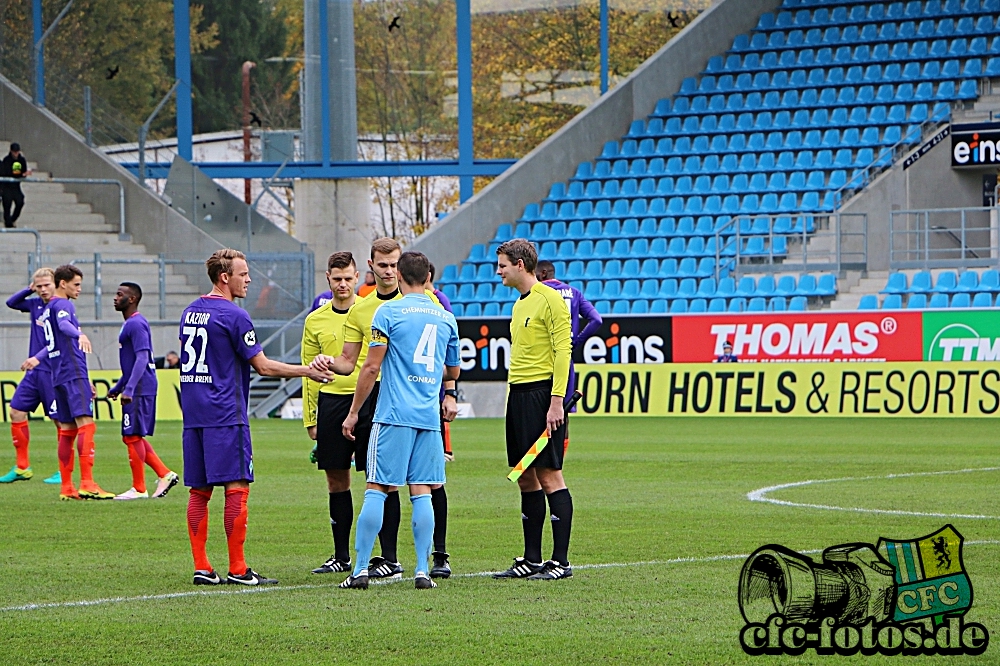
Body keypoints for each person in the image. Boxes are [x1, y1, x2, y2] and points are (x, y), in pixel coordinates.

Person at [180, 249, 333, 586]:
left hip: (194, 415)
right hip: (225, 414)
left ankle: (202, 567)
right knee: (237, 486)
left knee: (199, 491)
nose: (249, 279)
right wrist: (308, 371)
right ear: (225, 277)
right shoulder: (235, 315)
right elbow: (263, 366)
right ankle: (238, 569)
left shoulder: (190, 311)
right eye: (243, 273)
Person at [310, 237, 451, 580]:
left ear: (401, 269)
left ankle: (366, 567)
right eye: (382, 265)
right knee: (418, 487)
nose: (388, 271)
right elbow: (349, 361)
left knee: (381, 484)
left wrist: (355, 410)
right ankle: (418, 567)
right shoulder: (436, 312)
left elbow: (370, 367)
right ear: (371, 267)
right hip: (422, 410)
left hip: (391, 408)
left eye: (394, 265)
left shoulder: (391, 310)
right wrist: (329, 362)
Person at [493, 239, 574, 580]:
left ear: (520, 265)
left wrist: (557, 401)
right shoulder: (519, 304)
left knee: (549, 474)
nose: (498, 271)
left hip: (543, 396)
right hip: (519, 396)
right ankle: (532, 558)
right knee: (525, 476)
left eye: (502, 265)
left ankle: (560, 562)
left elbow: (562, 351)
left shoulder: (551, 300)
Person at [22, 264, 115, 500]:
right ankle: (87, 482)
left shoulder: (49, 308)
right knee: (86, 424)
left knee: (67, 430)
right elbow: (65, 327)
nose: (79, 289)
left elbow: (52, 343)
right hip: (72, 370)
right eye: (76, 284)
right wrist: (79, 333)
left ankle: (66, 487)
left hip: (57, 374)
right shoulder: (63, 305)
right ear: (63, 283)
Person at [300, 252, 361, 574]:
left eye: (348, 278)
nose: (342, 284)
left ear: (357, 277)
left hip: (369, 401)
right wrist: (311, 418)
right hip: (331, 404)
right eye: (337, 279)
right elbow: (309, 372)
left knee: (382, 481)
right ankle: (341, 556)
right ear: (328, 278)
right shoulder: (316, 320)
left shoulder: (371, 312)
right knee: (337, 480)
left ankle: (386, 557)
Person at [107, 282, 179, 500]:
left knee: (132, 436)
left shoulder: (136, 324)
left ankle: (139, 488)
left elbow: (142, 358)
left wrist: (129, 389)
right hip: (136, 385)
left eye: (120, 294)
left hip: (140, 387)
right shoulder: (131, 323)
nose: (115, 297)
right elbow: (133, 362)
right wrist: (119, 387)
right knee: (132, 436)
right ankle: (164, 474)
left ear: (132, 299)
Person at [534, 259, 602, 454]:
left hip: (542, 357)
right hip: (565, 357)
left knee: (539, 407)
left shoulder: (538, 292)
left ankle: (539, 456)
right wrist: (577, 342)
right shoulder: (574, 292)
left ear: (544, 273)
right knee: (562, 409)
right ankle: (559, 458)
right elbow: (597, 320)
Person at [2, 268, 61, 485]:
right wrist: (29, 289)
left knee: (60, 421)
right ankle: (22, 466)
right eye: (39, 286)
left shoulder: (59, 307)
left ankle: (64, 470)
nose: (43, 289)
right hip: (34, 373)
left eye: (47, 284)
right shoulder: (35, 305)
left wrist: (38, 357)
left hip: (52, 372)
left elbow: (59, 340)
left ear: (56, 284)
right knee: (16, 411)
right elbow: (11, 302)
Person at [1, 143, 30, 228]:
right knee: (7, 203)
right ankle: (8, 223)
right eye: (14, 152)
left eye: (17, 152)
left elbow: (23, 171)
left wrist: (24, 174)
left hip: (16, 186)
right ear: (11, 151)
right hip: (7, 186)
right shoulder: (7, 160)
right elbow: (7, 173)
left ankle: (13, 219)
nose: (16, 154)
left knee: (20, 201)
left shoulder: (21, 160)